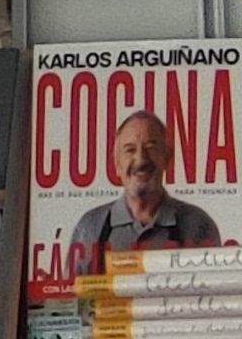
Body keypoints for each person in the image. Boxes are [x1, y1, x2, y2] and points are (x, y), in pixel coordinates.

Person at [61, 111, 222, 273]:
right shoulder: (90, 227)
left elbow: (213, 295)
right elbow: (70, 296)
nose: (141, 159)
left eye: (150, 148)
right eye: (130, 150)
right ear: (117, 164)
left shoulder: (199, 225)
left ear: (167, 157)